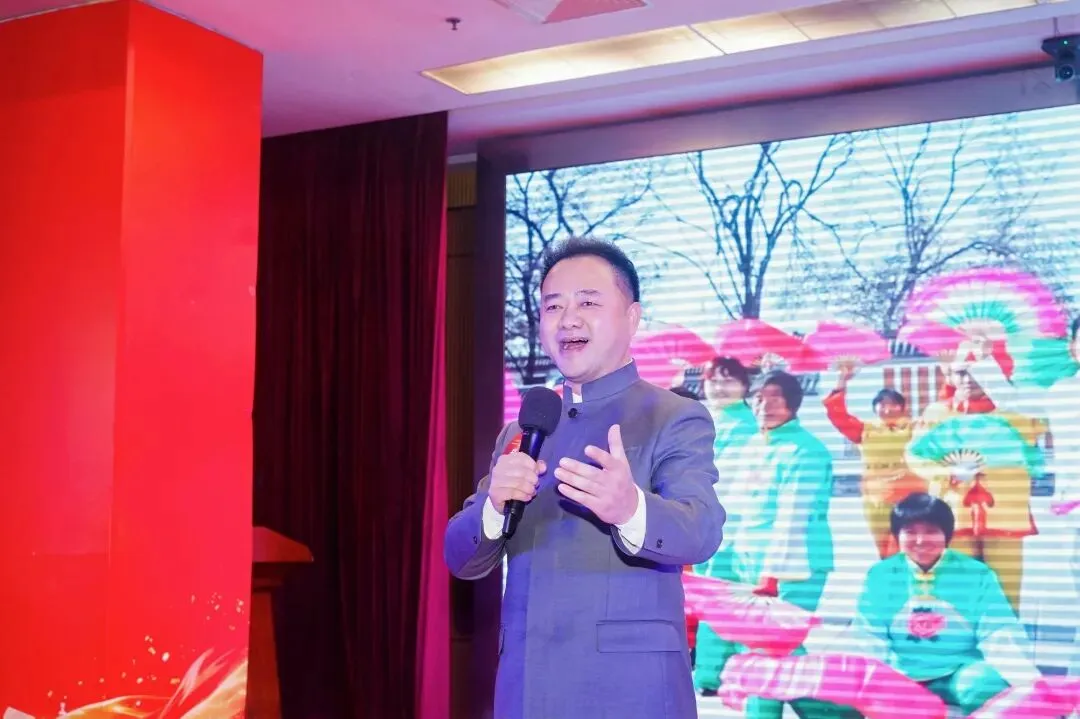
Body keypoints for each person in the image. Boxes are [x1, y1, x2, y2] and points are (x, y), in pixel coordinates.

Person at [443, 237, 725, 719]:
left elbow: (702, 529)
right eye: (553, 306)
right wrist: (492, 509)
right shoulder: (522, 431)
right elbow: (459, 556)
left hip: (629, 694)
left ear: (632, 318)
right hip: (527, 691)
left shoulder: (674, 415)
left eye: (588, 303)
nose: (568, 319)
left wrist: (630, 510)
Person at [846, 493, 1040, 715]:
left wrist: (1029, 683)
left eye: (931, 531)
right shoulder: (880, 575)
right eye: (910, 532)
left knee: (986, 686)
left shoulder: (977, 574)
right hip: (902, 673)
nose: (920, 540)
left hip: (961, 669)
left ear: (947, 535)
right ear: (897, 535)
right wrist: (876, 681)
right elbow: (869, 635)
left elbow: (999, 632)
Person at [720, 370, 837, 719]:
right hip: (749, 563)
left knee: (769, 647)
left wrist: (772, 574)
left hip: (794, 568)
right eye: (759, 397)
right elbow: (736, 506)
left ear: (793, 403)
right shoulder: (753, 445)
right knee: (766, 651)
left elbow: (793, 517)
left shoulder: (806, 451)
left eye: (776, 398)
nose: (765, 405)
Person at [907, 338, 1043, 614]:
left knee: (1005, 590)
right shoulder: (938, 413)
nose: (968, 380)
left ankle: (1005, 635)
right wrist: (946, 472)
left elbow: (1032, 441)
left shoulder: (1016, 415)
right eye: (961, 372)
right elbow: (915, 455)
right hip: (953, 513)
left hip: (1005, 513)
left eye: (976, 371)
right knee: (957, 590)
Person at [691, 356, 758, 696]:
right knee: (712, 600)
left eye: (728, 379)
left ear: (744, 385)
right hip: (706, 518)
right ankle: (710, 674)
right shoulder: (700, 418)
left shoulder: (754, 423)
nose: (719, 386)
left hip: (740, 524)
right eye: (713, 380)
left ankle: (735, 674)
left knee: (737, 601)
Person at [822, 361, 924, 559]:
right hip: (877, 496)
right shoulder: (865, 429)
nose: (887, 409)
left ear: (902, 407)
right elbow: (837, 414)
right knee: (884, 547)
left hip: (910, 492)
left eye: (893, 404)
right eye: (882, 404)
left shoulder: (915, 427)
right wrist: (842, 381)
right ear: (875, 408)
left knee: (908, 542)